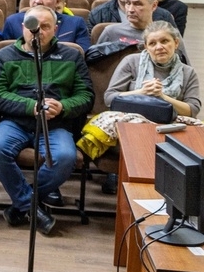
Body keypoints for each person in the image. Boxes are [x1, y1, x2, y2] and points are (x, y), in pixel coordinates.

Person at [0, 6, 94, 235]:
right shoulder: (5, 55)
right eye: (34, 27)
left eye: (46, 27)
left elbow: (86, 96)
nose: (39, 32)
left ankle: (21, 205)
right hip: (16, 121)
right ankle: (31, 207)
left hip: (55, 123)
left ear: (55, 29)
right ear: (24, 27)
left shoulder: (72, 55)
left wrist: (63, 106)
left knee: (65, 157)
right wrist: (30, 106)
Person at [78, 21, 201, 192]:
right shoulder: (132, 62)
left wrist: (162, 97)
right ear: (146, 47)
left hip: (169, 125)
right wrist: (141, 92)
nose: (159, 47)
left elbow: (192, 110)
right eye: (152, 43)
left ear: (176, 43)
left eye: (165, 41)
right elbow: (110, 97)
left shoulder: (187, 72)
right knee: (149, 143)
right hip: (133, 125)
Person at [1, 0, 91, 49]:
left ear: (58, 2)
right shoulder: (12, 21)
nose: (38, 1)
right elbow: (4, 55)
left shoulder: (75, 23)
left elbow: (82, 56)